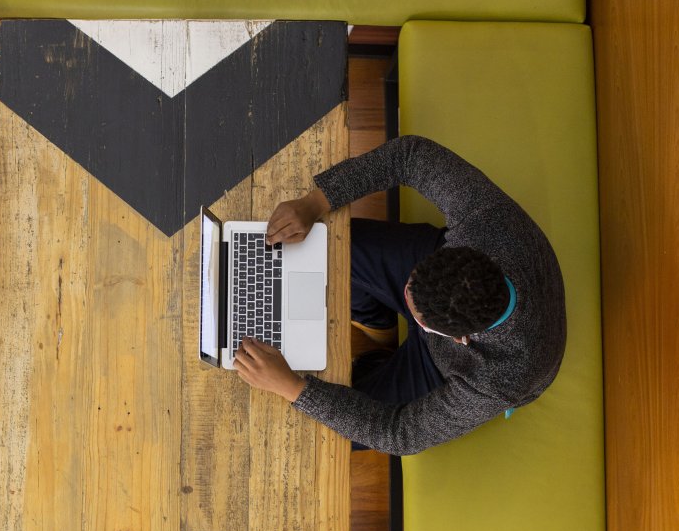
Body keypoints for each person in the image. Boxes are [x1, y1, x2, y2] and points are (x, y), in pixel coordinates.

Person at [232, 135, 566, 455]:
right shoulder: (488, 223)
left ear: (460, 338)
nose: (407, 289)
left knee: (329, 429)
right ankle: (378, 325)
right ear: (465, 252)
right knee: (332, 246)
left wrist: (292, 387)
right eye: (413, 282)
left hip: (450, 368)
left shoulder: (497, 379)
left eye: (417, 311)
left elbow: (399, 434)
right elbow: (411, 155)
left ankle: (378, 357)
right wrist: (315, 202)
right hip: (463, 287)